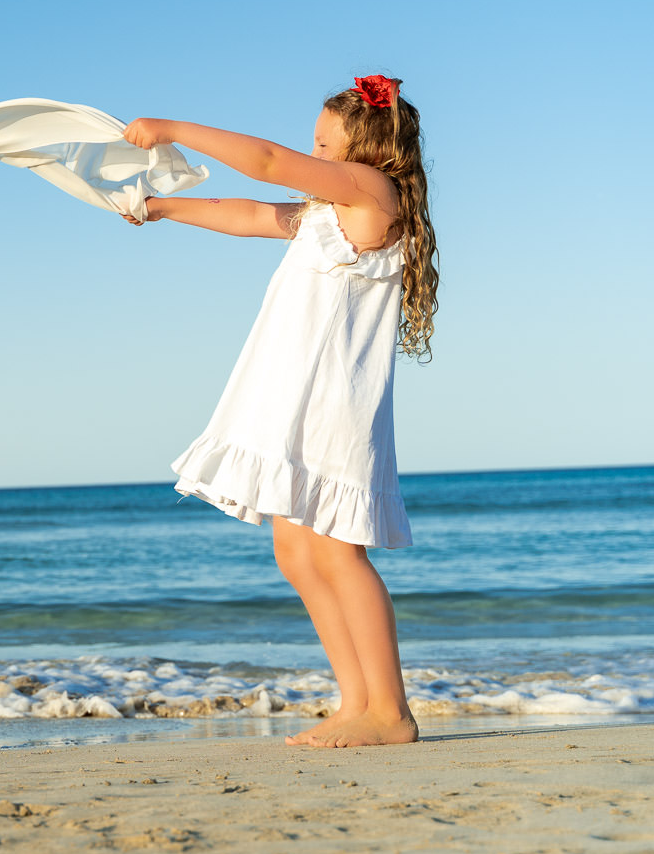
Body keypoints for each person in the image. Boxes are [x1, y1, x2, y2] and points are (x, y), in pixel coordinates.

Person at [122, 76, 437, 747]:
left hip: (333, 404)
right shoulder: (329, 211)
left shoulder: (373, 195)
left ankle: (391, 712)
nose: (312, 154)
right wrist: (161, 207)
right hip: (290, 395)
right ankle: (357, 702)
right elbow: (251, 213)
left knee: (339, 553)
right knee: (295, 552)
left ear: (368, 147)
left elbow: (266, 162)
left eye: (324, 144)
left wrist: (171, 129)